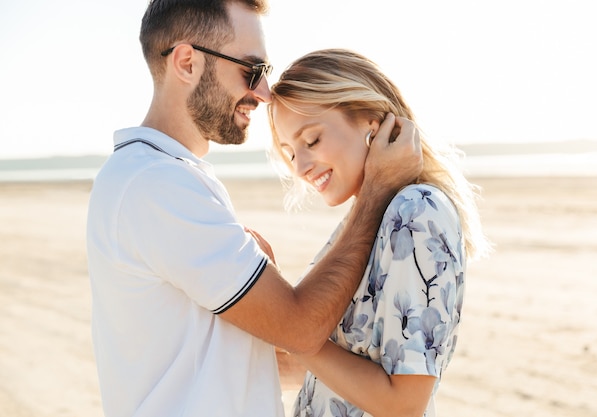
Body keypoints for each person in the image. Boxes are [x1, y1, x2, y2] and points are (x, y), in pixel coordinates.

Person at [85, 1, 423, 416]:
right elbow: (300, 330)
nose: (264, 93)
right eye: (252, 70)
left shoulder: (161, 176)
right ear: (187, 63)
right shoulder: (156, 184)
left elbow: (239, 363)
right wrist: (377, 190)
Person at [267, 49, 491, 417]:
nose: (301, 167)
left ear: (373, 123)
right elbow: (324, 370)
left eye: (311, 141)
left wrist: (296, 329)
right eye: (291, 153)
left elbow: (404, 404)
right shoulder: (367, 220)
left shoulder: (417, 211)